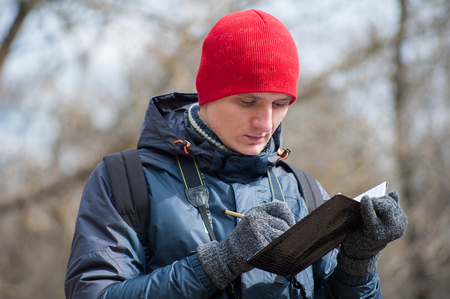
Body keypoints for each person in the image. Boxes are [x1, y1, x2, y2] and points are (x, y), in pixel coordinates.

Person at [64, 9, 407, 299]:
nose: (265, 122)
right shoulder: (125, 180)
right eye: (248, 102)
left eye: (280, 103)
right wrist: (218, 262)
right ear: (209, 94)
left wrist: (356, 264)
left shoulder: (302, 189)